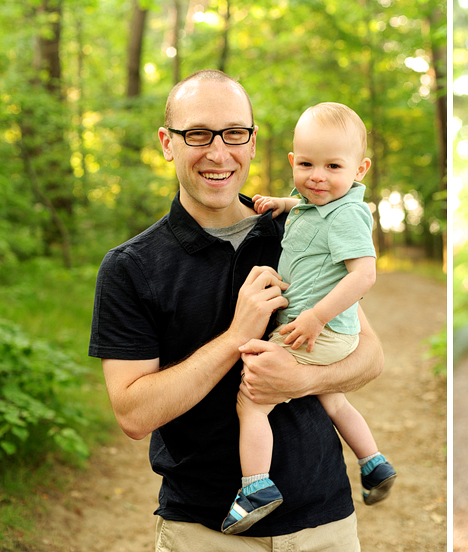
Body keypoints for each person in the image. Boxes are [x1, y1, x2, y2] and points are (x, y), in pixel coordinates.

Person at [89, 70, 383, 551]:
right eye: (198, 134)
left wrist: (302, 381)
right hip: (203, 532)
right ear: (168, 143)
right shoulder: (131, 268)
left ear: (251, 142)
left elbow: (370, 356)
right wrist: (233, 338)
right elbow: (134, 414)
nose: (218, 152)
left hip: (324, 524)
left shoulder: (299, 231)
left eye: (234, 134)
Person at [222, 102, 396, 535]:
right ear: (292, 162)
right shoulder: (314, 202)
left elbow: (364, 274)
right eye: (306, 164)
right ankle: (373, 462)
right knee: (332, 398)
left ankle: (256, 488)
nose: (317, 176)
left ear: (360, 168)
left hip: (321, 330)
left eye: (333, 166)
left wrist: (316, 317)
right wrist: (283, 202)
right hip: (332, 333)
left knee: (252, 400)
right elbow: (305, 203)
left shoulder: (347, 214)